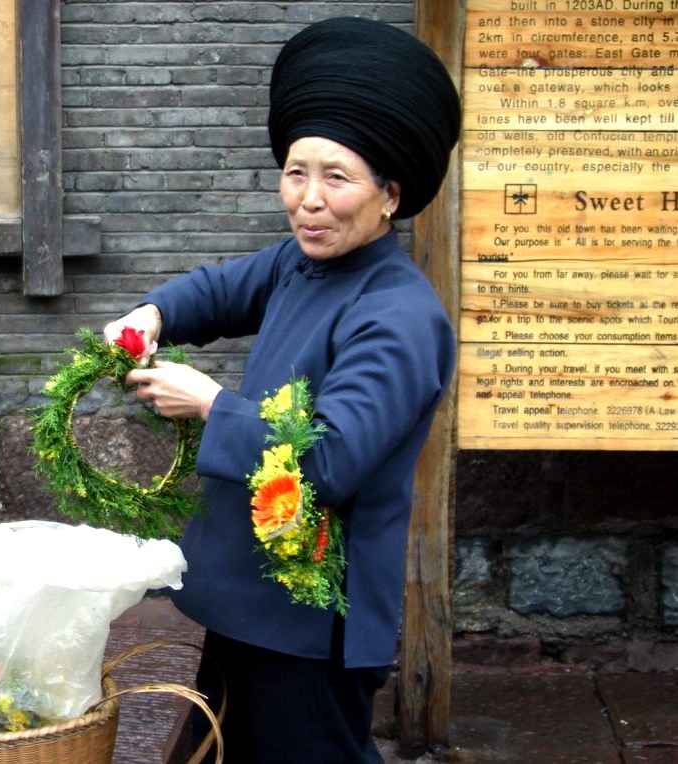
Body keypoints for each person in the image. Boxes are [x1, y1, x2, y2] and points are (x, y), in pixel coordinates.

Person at [103, 17, 460, 763]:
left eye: (336, 177)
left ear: (389, 196)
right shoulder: (301, 263)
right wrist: (153, 312)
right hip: (243, 596)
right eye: (296, 172)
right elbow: (219, 290)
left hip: (308, 618)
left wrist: (209, 405)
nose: (308, 199)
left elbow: (329, 464)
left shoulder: (398, 315)